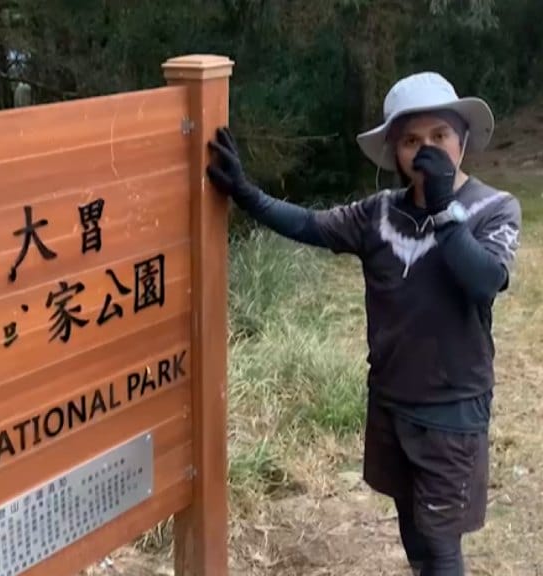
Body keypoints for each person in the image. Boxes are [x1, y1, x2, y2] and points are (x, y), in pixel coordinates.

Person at [207, 71, 522, 576]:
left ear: (462, 140)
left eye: (440, 135)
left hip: (452, 408)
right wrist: (247, 195)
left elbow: (485, 280)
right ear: (395, 152)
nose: (427, 151)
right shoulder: (378, 214)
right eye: (411, 141)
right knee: (413, 532)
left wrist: (444, 208)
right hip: (391, 399)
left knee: (441, 544)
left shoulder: (494, 209)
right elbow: (309, 224)